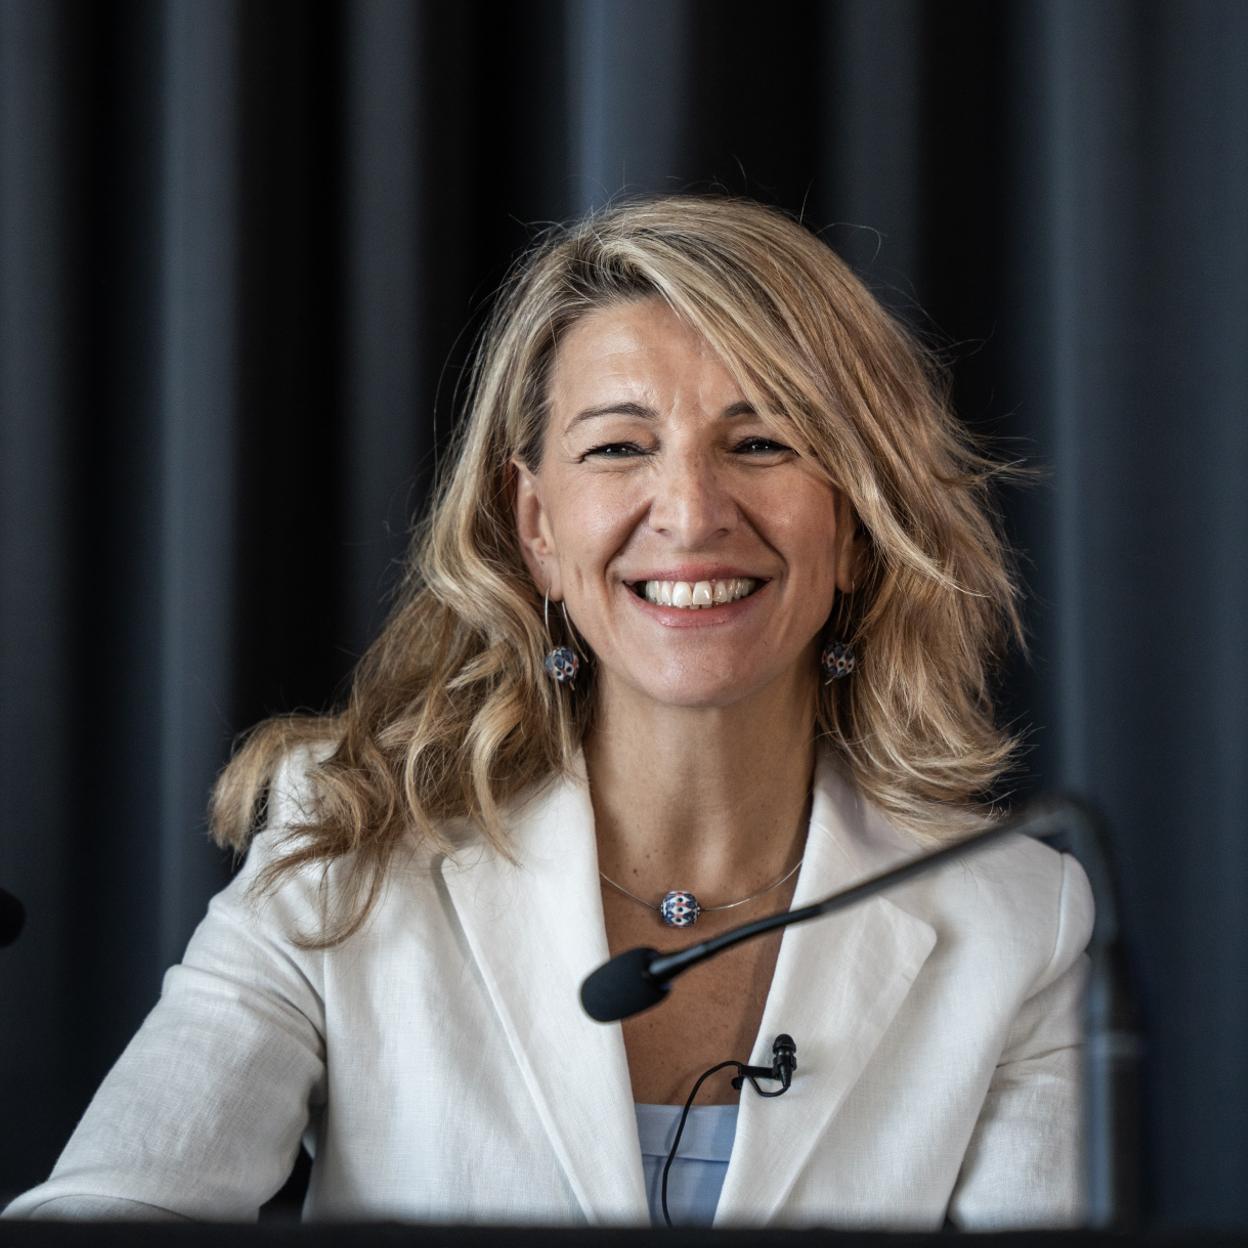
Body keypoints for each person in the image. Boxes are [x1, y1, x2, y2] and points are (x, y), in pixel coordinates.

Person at [4, 195, 1092, 1228]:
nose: (691, 514)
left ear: (856, 522)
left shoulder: (1018, 921)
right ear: (536, 530)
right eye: (619, 447)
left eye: (762, 442)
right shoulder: (345, 847)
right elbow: (110, 1216)